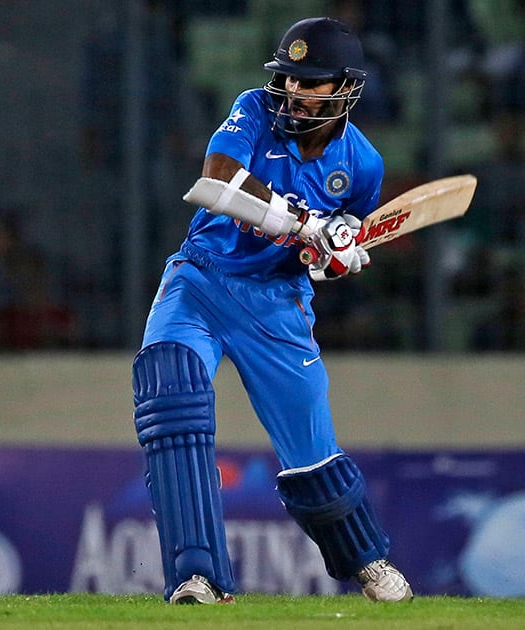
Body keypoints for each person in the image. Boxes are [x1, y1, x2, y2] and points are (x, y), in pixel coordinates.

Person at [132, 17, 413, 605]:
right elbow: (215, 182)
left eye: (310, 83)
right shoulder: (254, 110)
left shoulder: (363, 166)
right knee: (171, 397)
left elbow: (339, 247)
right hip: (202, 278)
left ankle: (368, 561)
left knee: (313, 459)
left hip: (278, 307)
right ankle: (198, 576)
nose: (293, 92)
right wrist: (304, 222)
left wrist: (332, 258)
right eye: (289, 78)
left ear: (344, 88)